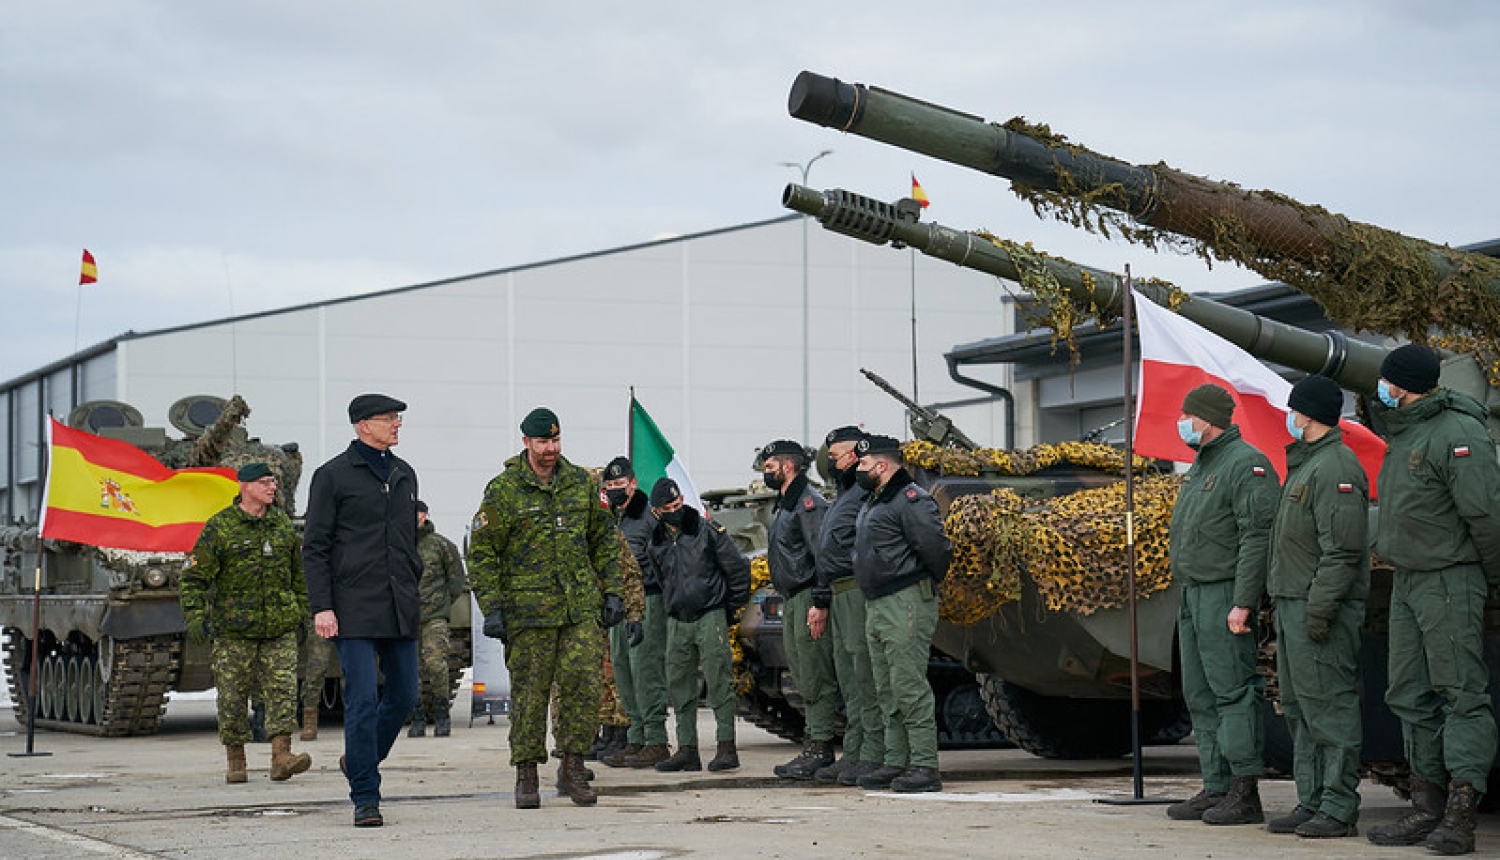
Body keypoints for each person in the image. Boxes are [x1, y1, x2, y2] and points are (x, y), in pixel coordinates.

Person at [1366, 344, 1500, 855]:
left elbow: (1485, 515)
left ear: (1403, 383)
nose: (1381, 385)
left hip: (1449, 577)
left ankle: (1461, 816)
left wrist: (1487, 576)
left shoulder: (1457, 432)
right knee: (1408, 694)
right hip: (1408, 580)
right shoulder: (1406, 431)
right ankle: (1425, 807)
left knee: (1461, 693)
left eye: (1386, 378)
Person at [467, 407, 624, 809]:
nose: (550, 448)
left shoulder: (580, 484)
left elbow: (604, 539)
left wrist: (613, 592)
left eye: (555, 440)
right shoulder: (503, 490)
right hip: (528, 613)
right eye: (542, 442)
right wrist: (493, 607)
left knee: (582, 690)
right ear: (526, 443)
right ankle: (526, 773)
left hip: (579, 610)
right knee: (529, 696)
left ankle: (572, 768)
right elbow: (483, 553)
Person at [303, 394, 422, 829]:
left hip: (399, 604)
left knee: (406, 694)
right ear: (361, 425)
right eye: (389, 419)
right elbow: (315, 548)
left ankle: (358, 760)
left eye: (397, 419)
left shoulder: (404, 474)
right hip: (352, 608)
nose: (396, 425)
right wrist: (323, 606)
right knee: (362, 699)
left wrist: (413, 582)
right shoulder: (332, 476)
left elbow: (408, 541)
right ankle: (366, 797)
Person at [1165, 383, 1278, 826]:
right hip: (1193, 593)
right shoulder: (1203, 464)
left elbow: (1256, 538)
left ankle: (1244, 789)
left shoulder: (1246, 464)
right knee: (1199, 693)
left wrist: (1243, 602)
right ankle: (1215, 784)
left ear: (1207, 420)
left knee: (1232, 691)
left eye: (1187, 414)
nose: (1182, 421)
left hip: (1223, 593)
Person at [1265, 375, 1368, 839]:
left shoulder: (1336, 467)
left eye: (1294, 409)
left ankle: (1339, 805)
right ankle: (1312, 800)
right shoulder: (1306, 465)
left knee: (1329, 707)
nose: (1290, 416)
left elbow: (1342, 551)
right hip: (1293, 605)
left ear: (1307, 414)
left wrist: (1319, 610)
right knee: (1301, 708)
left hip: (1316, 608)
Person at [181, 462, 312, 785]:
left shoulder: (281, 524)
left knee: (282, 692)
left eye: (273, 482)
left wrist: (302, 613)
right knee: (232, 696)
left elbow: (298, 574)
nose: (272, 488)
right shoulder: (220, 527)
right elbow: (193, 577)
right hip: (233, 630)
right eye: (265, 482)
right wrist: (196, 616)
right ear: (245, 487)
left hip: (278, 626)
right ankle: (236, 760)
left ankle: (282, 756)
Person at [850, 434, 952, 793]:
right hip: (877, 602)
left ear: (882, 466)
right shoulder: (874, 500)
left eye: (862, 464)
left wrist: (915, 582)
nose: (857, 469)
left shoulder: (911, 501)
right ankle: (896, 760)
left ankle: (924, 765)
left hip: (904, 600)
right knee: (886, 687)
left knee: (908, 684)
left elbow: (937, 550)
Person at [646, 477, 751, 773]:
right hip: (678, 620)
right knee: (680, 687)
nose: (676, 510)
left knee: (719, 683)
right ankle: (687, 750)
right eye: (669, 507)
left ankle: (726, 748)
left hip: (710, 615)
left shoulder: (708, 531)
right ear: (657, 511)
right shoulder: (656, 542)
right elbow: (661, 579)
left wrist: (729, 611)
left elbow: (738, 570)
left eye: (678, 503)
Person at [807, 425, 884, 787]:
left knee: (864, 673)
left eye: (836, 456)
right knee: (849, 677)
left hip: (856, 590)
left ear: (854, 455)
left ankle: (873, 752)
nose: (831, 463)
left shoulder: (865, 494)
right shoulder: (845, 494)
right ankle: (854, 751)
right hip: (838, 593)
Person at [760, 438, 836, 779]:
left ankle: (819, 748)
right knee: (802, 673)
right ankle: (812, 744)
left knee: (813, 673)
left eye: (770, 465)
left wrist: (820, 601)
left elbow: (822, 554)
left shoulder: (808, 504)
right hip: (792, 599)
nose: (766, 470)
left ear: (787, 466)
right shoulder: (786, 504)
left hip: (808, 597)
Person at [600, 456, 670, 769]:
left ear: (633, 483)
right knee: (623, 671)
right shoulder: (612, 518)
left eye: (620, 484)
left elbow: (667, 561)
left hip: (648, 600)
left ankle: (655, 740)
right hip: (619, 601)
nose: (616, 490)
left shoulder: (650, 517)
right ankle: (636, 737)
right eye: (610, 485)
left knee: (646, 671)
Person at [408, 500, 466, 738]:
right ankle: (417, 717)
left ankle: (442, 715)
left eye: (417, 514)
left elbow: (456, 580)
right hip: (406, 618)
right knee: (412, 670)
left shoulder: (441, 546)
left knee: (436, 665)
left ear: (424, 516)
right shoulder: (398, 544)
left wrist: (441, 605)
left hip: (434, 617)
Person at [298, 634, 334, 741]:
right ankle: (309, 718)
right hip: (320, 620)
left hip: (350, 621)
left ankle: (358, 720)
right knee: (317, 667)